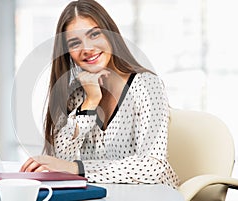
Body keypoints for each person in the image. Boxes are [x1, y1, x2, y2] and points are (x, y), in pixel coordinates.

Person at [20, 0, 179, 188]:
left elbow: (153, 166)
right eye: (74, 43)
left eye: (94, 34)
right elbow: (60, 161)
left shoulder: (147, 85)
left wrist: (78, 169)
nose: (87, 49)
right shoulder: (78, 94)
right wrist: (90, 102)